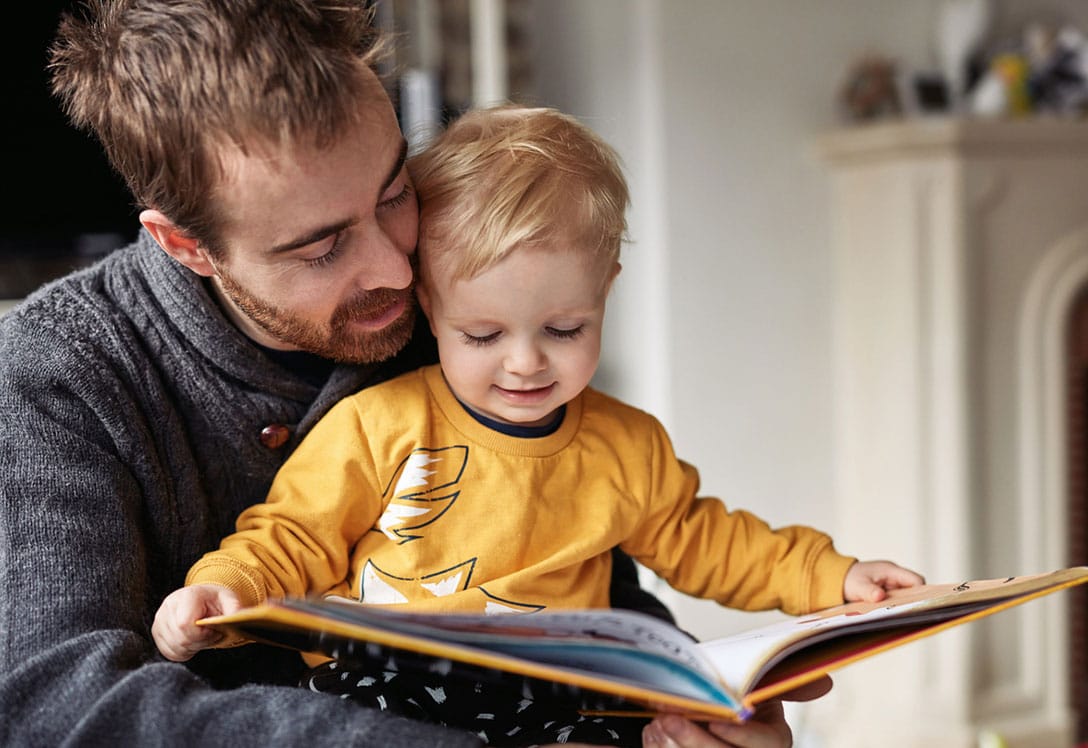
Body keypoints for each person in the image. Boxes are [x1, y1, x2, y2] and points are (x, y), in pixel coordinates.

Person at [0, 1, 822, 746]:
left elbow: (581, 573)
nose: (399, 269)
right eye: (321, 247)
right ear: (187, 246)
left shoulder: (460, 313)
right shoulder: (58, 375)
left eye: (396, 192)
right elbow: (59, 712)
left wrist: (679, 719)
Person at [152, 105, 925, 745]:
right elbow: (293, 535)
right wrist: (225, 591)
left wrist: (837, 578)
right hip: (392, 684)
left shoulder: (628, 447)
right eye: (482, 336)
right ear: (429, 304)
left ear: (606, 290)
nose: (525, 364)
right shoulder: (381, 422)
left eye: (563, 329)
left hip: (561, 689)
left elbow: (709, 540)